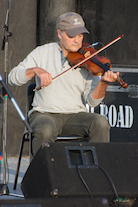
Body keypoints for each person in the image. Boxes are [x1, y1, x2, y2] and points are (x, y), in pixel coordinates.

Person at [8, 12, 119, 155]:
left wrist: (103, 83)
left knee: (101, 123)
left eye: (80, 36)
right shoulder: (42, 52)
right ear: (59, 34)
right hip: (44, 113)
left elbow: (92, 102)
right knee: (46, 128)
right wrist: (35, 70)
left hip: (75, 116)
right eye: (72, 36)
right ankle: (42, 175)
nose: (77, 41)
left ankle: (94, 174)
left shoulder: (88, 59)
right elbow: (13, 78)